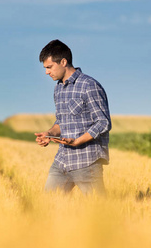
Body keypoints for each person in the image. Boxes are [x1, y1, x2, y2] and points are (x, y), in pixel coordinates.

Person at [35, 39, 112, 195]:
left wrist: (77, 141)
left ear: (63, 62)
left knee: (97, 212)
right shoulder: (58, 89)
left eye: (49, 67)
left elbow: (103, 122)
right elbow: (62, 122)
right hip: (62, 160)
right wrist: (49, 134)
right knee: (46, 207)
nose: (46, 72)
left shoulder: (89, 85)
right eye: (45, 68)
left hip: (87, 161)